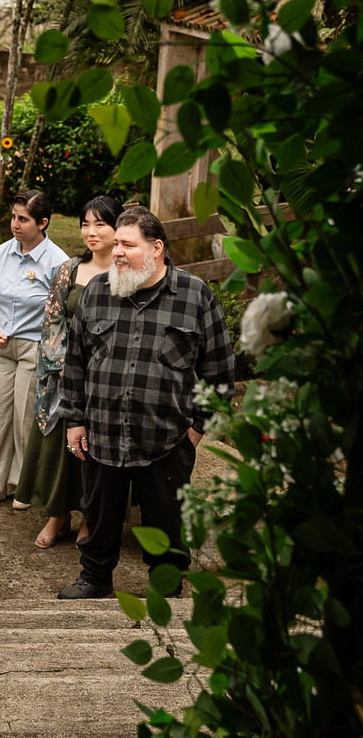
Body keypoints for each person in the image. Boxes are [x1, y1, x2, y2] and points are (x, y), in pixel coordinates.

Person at [56, 207, 234, 599]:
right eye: (115, 242)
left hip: (168, 439)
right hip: (102, 432)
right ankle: (95, 578)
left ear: (156, 249)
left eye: (126, 244)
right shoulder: (97, 293)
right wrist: (75, 420)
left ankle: (166, 584)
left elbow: (219, 373)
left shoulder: (195, 296)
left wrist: (195, 430)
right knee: (100, 512)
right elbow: (75, 363)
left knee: (167, 519)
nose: (116, 251)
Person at [13, 195, 119, 548]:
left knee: (93, 450)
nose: (91, 232)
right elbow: (52, 320)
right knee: (59, 448)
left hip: (107, 377)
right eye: (85, 224)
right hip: (64, 375)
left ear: (118, 227)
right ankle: (58, 515)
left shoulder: (125, 273)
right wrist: (66, 365)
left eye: (100, 224)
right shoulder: (70, 269)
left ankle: (91, 517)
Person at [0, 190, 69, 510]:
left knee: (26, 419)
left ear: (43, 223)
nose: (15, 224)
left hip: (34, 349)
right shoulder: (1, 254)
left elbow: (63, 314)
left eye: (23, 219)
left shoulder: (58, 262)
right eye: (13, 217)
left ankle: (22, 485)